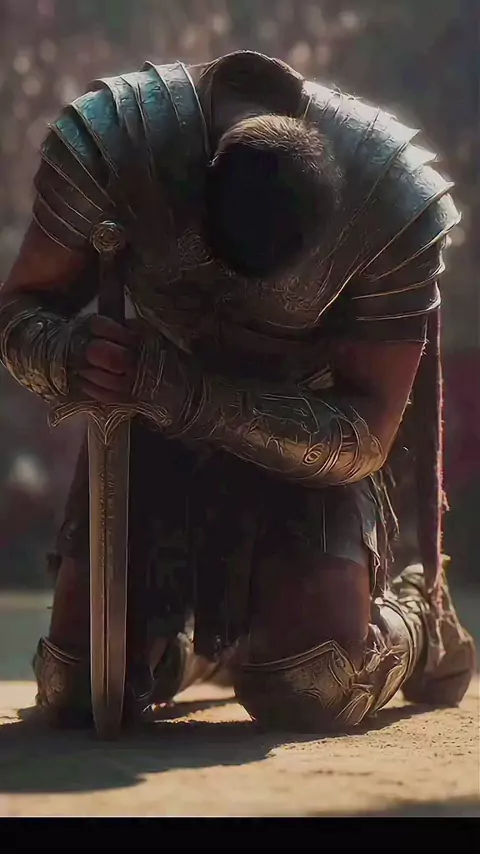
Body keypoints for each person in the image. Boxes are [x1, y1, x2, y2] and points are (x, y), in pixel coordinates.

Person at [0, 51, 474, 731]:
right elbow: (19, 313)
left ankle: (416, 616)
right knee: (78, 681)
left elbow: (367, 431)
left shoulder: (391, 200)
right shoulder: (109, 146)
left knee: (311, 684)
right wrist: (72, 354)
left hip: (303, 437)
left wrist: (190, 395)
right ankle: (189, 649)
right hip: (145, 420)